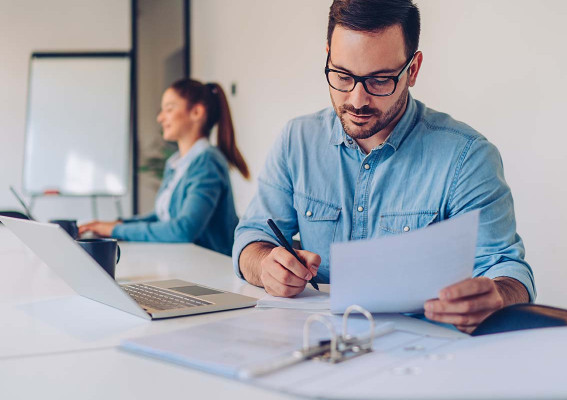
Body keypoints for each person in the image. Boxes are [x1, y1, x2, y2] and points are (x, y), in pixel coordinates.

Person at [233, 0, 535, 333]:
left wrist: (497, 296)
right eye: (342, 75)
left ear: (413, 69)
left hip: (420, 355)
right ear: (328, 55)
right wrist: (265, 265)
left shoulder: (467, 157)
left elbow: (508, 270)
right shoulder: (297, 140)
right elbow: (252, 237)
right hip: (316, 344)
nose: (358, 100)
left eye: (380, 80)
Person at [79, 79, 249, 256]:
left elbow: (183, 229)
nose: (160, 118)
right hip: (186, 261)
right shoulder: (177, 163)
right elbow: (163, 217)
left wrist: (114, 230)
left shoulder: (207, 161)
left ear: (197, 112)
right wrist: (117, 224)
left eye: (169, 109)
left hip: (212, 267)